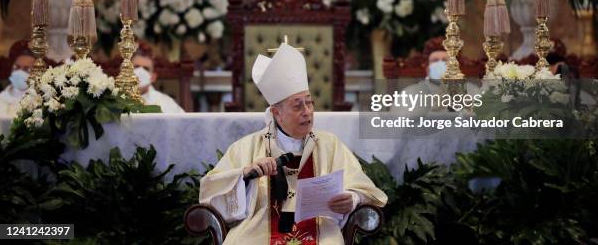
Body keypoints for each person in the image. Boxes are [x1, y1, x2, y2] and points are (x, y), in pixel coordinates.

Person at [199, 43, 387, 244]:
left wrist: (352, 198)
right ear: (276, 113)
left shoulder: (329, 145)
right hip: (258, 229)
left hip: (320, 228)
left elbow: (363, 188)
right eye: (298, 106)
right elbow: (210, 192)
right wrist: (245, 176)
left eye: (309, 102)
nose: (307, 111)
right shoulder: (247, 147)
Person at [391, 37, 479, 114]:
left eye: (445, 60)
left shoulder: (472, 91)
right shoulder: (410, 94)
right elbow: (399, 128)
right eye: (435, 60)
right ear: (427, 67)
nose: (440, 64)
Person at [132, 43, 184, 113]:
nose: (140, 72)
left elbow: (184, 123)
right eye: (137, 67)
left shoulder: (166, 103)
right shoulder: (115, 99)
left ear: (153, 77)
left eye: (146, 69)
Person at [0, 40, 35, 116]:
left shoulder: (38, 101)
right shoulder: (0, 99)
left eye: (26, 69)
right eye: (17, 67)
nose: (20, 72)